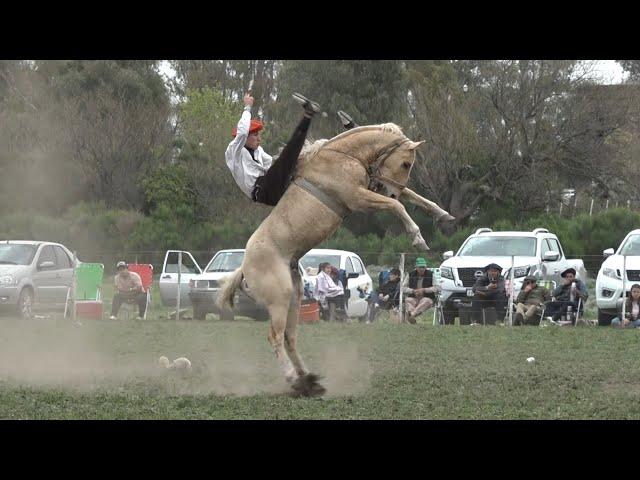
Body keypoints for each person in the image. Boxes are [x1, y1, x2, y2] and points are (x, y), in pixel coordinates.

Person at [225, 92, 321, 207]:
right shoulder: (233, 152)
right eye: (255, 135)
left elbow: (273, 163)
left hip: (273, 187)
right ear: (246, 138)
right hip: (263, 192)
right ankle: (308, 115)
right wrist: (247, 107)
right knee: (287, 157)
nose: (259, 139)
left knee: (296, 160)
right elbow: (242, 132)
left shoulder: (258, 151)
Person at [403, 257, 438, 324]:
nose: (422, 269)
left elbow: (437, 287)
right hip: (414, 298)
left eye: (423, 267)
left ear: (426, 267)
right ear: (416, 267)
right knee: (407, 300)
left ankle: (412, 315)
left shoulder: (431, 274)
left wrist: (425, 290)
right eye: (420, 267)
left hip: (427, 298)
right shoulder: (410, 275)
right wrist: (412, 291)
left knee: (426, 301)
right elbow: (403, 288)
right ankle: (412, 316)